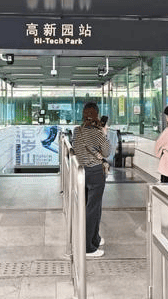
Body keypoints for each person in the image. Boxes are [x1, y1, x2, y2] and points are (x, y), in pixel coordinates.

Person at [72, 102, 111, 257]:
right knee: (94, 209)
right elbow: (107, 152)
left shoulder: (77, 131)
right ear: (96, 115)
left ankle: (94, 238)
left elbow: (76, 149)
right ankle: (88, 247)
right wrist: (104, 133)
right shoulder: (97, 133)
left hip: (81, 172)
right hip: (95, 173)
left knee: (89, 207)